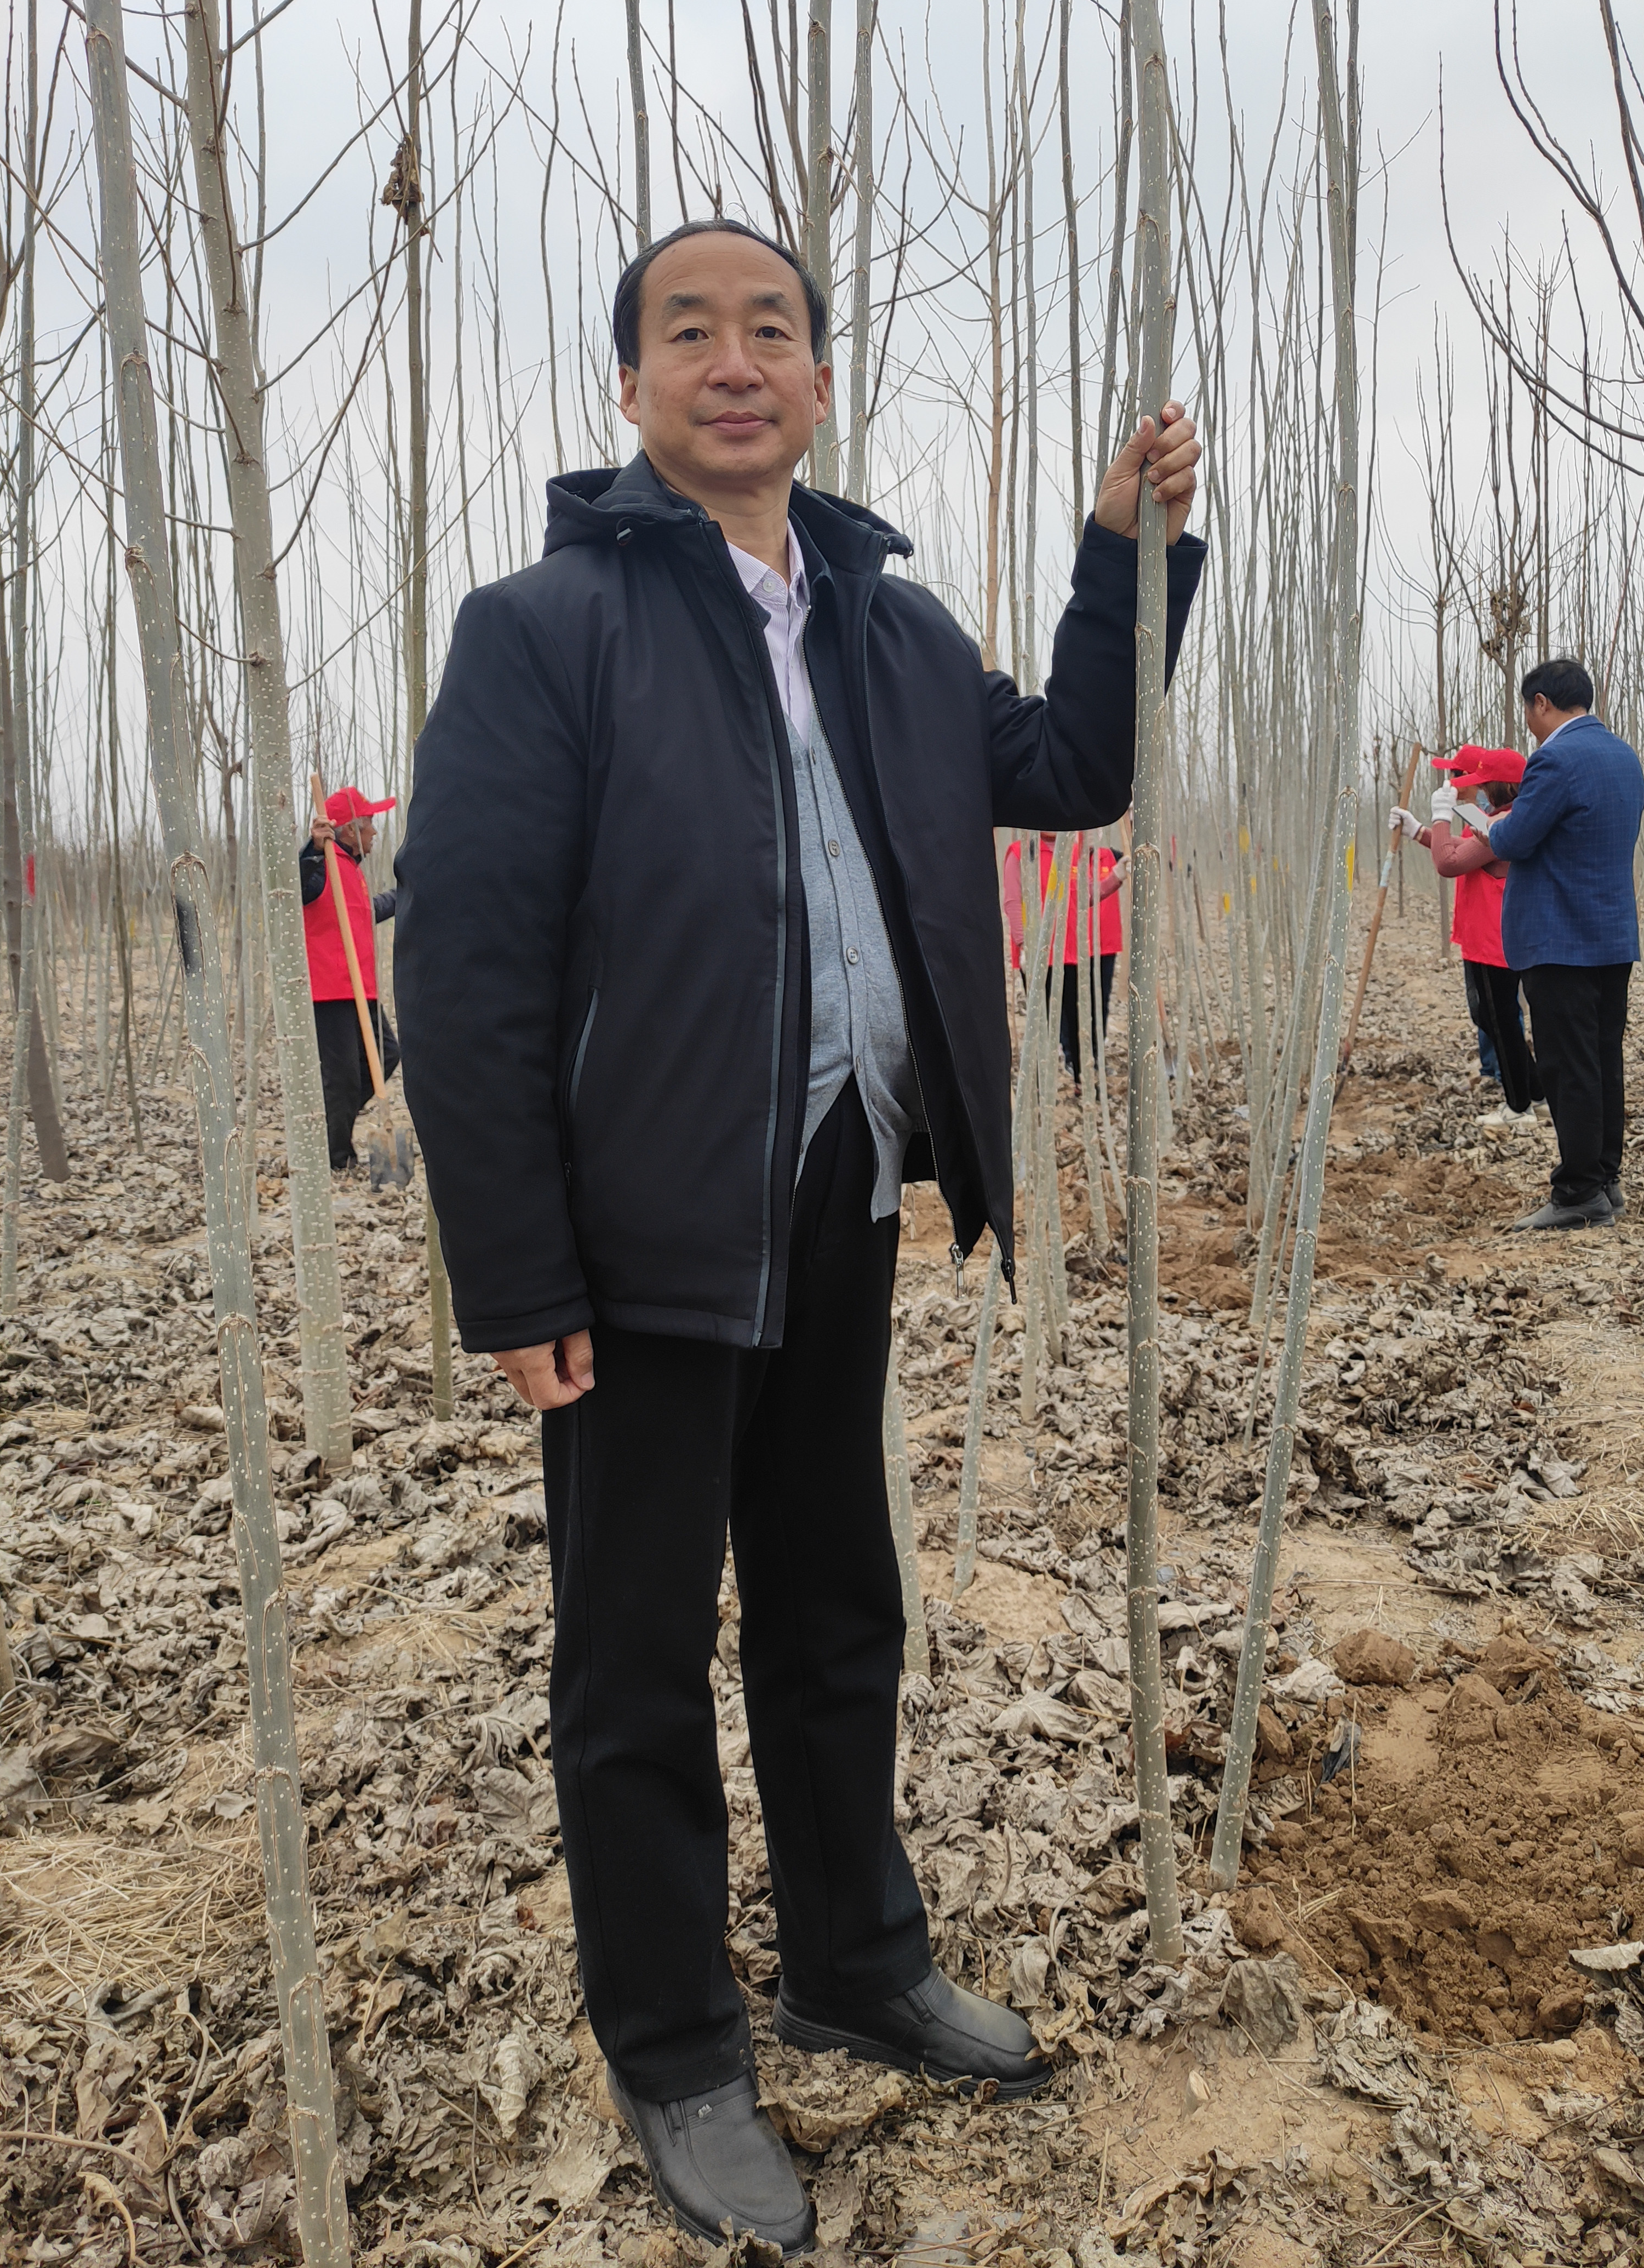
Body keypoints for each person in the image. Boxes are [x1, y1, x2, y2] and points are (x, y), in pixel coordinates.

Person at [394, 218, 1203, 2254]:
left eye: (770, 328)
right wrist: (513, 1270)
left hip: (843, 1195)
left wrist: (1121, 558)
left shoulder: (890, 631)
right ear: (631, 383)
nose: (732, 361)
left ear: (818, 379)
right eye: (690, 332)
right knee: (635, 1662)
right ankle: (674, 2042)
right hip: (643, 1242)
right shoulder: (545, 630)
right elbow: (471, 974)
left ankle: (855, 1950)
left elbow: (1073, 769)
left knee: (840, 1608)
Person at [1463, 658, 1644, 1232]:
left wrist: (1478, 822)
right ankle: (1604, 1179)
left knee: (1569, 1067)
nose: (1527, 723)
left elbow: (1514, 838)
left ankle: (1577, 1191)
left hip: (1558, 940)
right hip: (1611, 937)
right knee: (1601, 1059)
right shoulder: (1624, 756)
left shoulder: (1555, 760)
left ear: (1541, 702)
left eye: (1527, 710)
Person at [1390, 745, 1539, 1127]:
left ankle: (1520, 1105)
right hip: (1485, 936)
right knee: (1491, 1016)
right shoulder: (1501, 820)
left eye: (1481, 784)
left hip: (1495, 939)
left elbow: (1449, 862)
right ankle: (1538, 1092)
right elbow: (1464, 850)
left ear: (1499, 787)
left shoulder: (1507, 823)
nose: (1470, 788)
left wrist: (1440, 818)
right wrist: (1422, 831)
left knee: (1499, 1017)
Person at [300, 787, 399, 1173]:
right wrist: (311, 847)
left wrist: (407, 894)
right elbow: (297, 886)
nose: (375, 831)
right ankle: (336, 1158)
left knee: (388, 1055)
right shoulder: (322, 864)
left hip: (362, 988)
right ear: (349, 830)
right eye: (370, 823)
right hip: (331, 992)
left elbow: (366, 913)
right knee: (342, 1080)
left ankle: (330, 1125)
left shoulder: (350, 871)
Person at [1001, 832, 1126, 1085]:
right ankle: (1040, 1087)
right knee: (1044, 1021)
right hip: (1038, 953)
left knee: (1080, 1017)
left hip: (1071, 952)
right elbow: (1014, 901)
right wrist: (1024, 944)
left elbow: (1084, 895)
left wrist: (1116, 878)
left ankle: (1084, 1079)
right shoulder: (1021, 852)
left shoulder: (1073, 850)